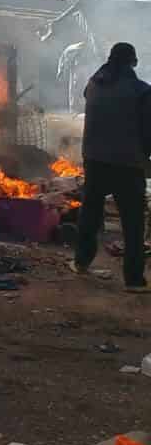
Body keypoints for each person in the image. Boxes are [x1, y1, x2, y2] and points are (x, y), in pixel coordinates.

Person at [73, 41, 150, 292]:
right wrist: (147, 159)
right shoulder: (142, 92)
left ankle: (81, 262)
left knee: (90, 213)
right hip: (128, 165)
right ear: (133, 62)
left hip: (94, 160)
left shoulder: (94, 84)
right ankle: (134, 280)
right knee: (133, 223)